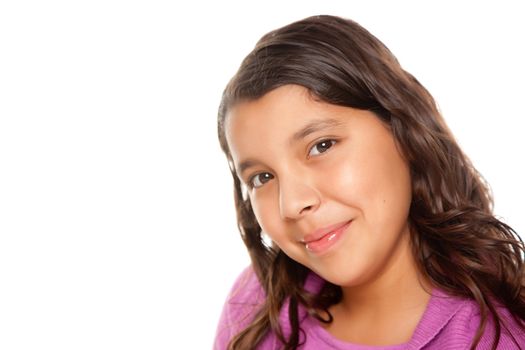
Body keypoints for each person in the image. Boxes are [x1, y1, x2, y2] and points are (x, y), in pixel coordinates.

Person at [213, 15, 525, 350]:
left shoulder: (494, 338)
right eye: (262, 177)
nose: (291, 203)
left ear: (403, 130)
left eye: (322, 146)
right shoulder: (256, 306)